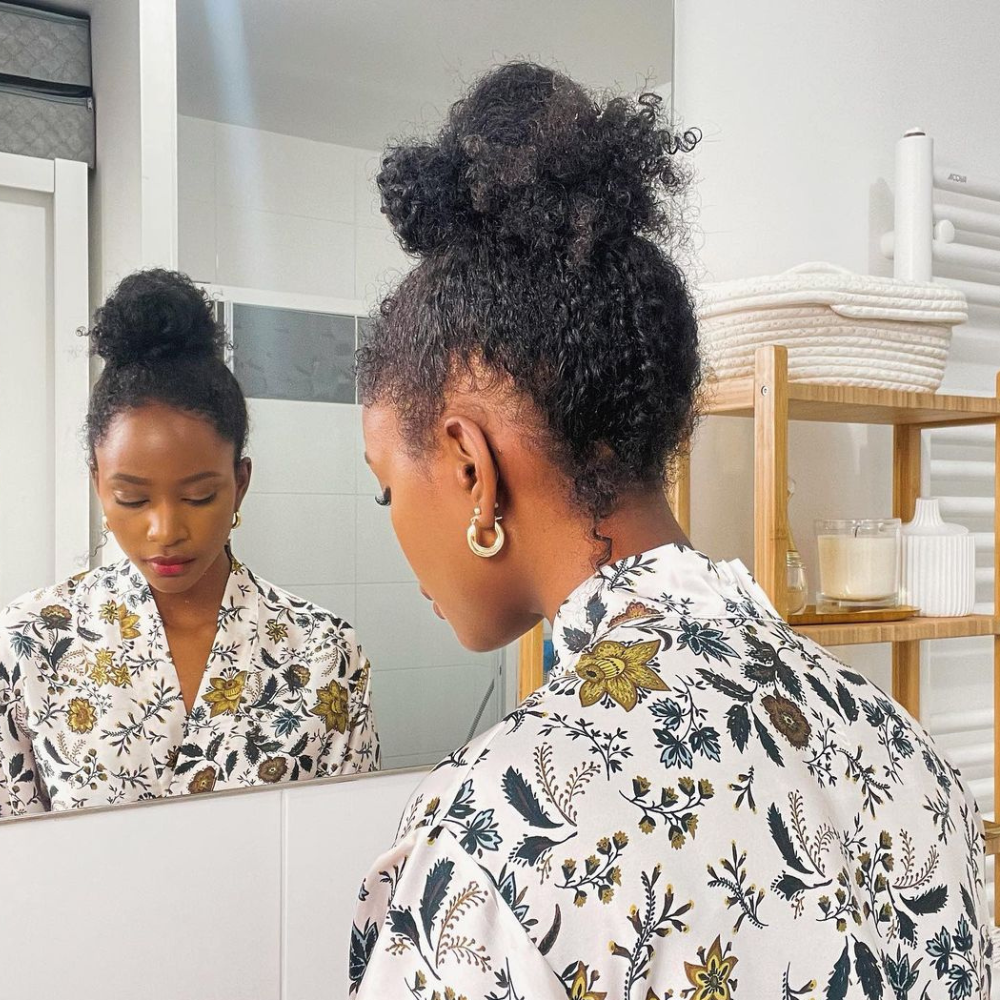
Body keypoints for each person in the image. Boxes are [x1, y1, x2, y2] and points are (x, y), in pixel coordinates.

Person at [348, 64, 991, 998]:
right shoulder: (904, 749)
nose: (396, 530)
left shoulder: (500, 836)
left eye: (387, 491)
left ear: (470, 469)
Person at [0, 269, 378, 816]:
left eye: (199, 497)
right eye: (132, 499)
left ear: (240, 484)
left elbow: (345, 841)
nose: (166, 531)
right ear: (99, 486)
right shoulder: (31, 642)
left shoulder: (324, 652)